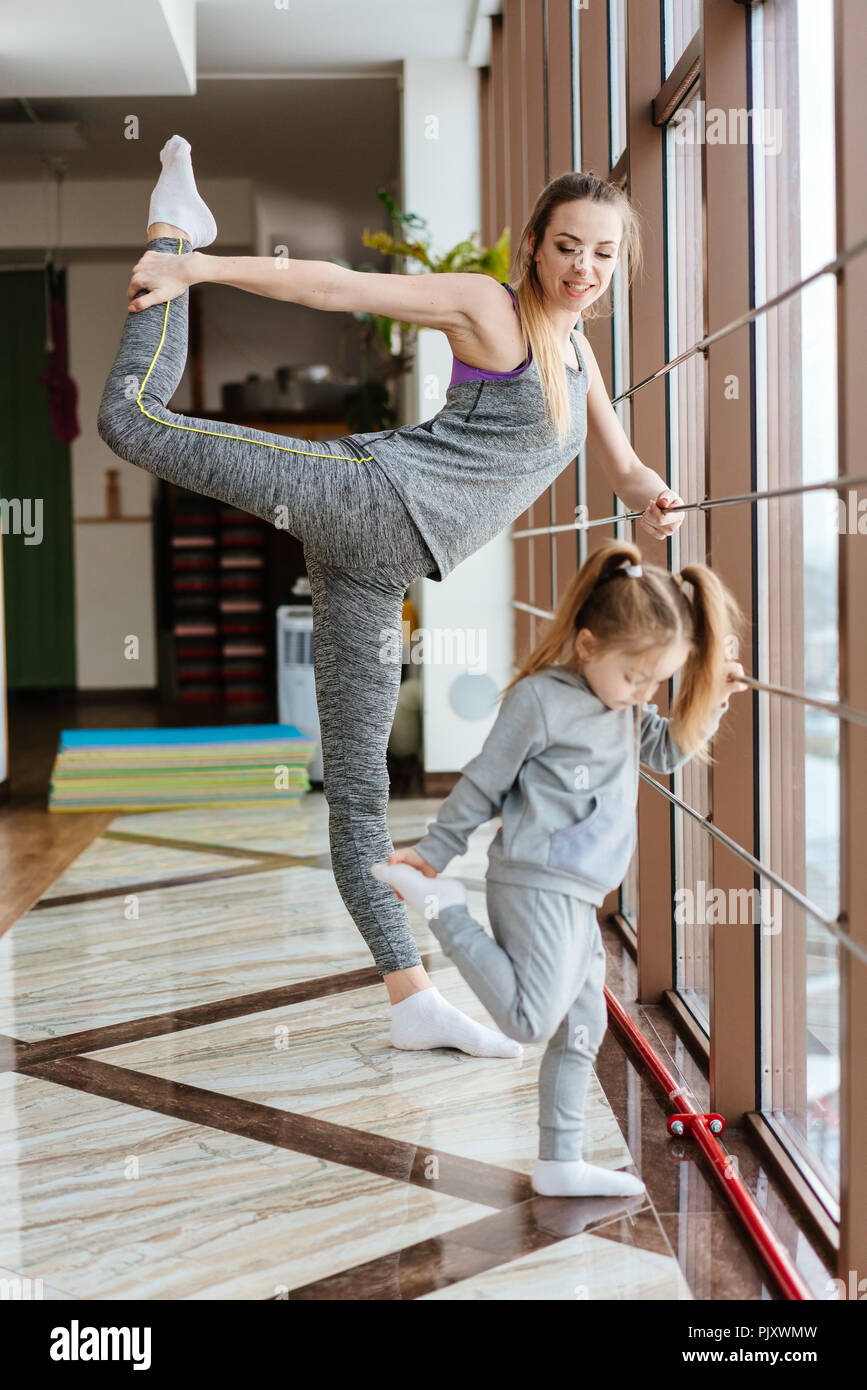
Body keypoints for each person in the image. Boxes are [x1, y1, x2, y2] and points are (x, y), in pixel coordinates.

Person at [97, 136, 687, 1059]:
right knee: (130, 422)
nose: (585, 267)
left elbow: (617, 463)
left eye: (605, 253)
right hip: (362, 493)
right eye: (569, 245)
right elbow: (335, 286)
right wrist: (194, 269)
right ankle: (175, 227)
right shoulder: (487, 306)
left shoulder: (575, 352)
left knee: (360, 800)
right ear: (533, 244)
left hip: (377, 564)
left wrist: (651, 497)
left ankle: (409, 995)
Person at [372, 539, 749, 1197]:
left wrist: (712, 701)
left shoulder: (624, 706)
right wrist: (433, 854)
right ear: (585, 645)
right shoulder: (541, 701)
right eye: (634, 676)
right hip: (534, 881)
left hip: (578, 896)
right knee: (527, 1021)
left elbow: (663, 751)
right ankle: (444, 909)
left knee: (582, 1027)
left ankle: (558, 1161)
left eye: (656, 681)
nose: (642, 692)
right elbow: (483, 782)